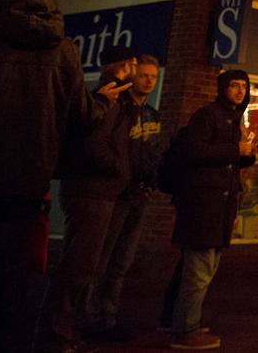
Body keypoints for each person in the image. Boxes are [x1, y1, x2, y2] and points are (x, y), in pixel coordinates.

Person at [0, 0, 120, 352]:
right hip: (25, 192)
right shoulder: (63, 50)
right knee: (9, 298)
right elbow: (80, 118)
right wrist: (103, 101)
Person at [40, 46, 139, 351]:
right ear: (124, 65)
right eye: (133, 64)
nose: (137, 69)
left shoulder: (116, 99)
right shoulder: (107, 96)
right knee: (79, 265)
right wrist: (120, 169)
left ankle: (70, 332)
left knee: (87, 265)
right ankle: (57, 335)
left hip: (100, 191)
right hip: (92, 191)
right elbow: (94, 145)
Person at [166, 70, 255, 349]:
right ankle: (185, 330)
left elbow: (226, 161)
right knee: (199, 269)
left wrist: (246, 154)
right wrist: (235, 149)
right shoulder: (207, 115)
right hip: (203, 206)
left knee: (201, 268)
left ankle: (179, 320)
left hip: (219, 207)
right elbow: (194, 152)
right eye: (234, 85)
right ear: (222, 88)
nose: (240, 91)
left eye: (244, 86)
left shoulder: (234, 118)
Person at [86, 53, 163, 341]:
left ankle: (108, 316)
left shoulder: (152, 114)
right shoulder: (122, 108)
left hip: (140, 195)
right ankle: (91, 317)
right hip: (118, 193)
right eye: (143, 75)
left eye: (153, 77)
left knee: (122, 261)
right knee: (103, 258)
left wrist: (152, 180)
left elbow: (153, 151)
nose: (148, 81)